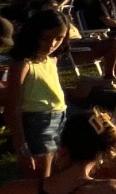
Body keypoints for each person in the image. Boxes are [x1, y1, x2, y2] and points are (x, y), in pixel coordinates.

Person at [5, 10, 70, 176]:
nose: (51, 44)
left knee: (57, 171)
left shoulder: (51, 59)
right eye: (45, 38)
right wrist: (21, 145)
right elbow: (12, 106)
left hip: (59, 116)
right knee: (40, 175)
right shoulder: (23, 64)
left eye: (59, 38)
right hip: (37, 122)